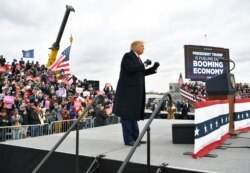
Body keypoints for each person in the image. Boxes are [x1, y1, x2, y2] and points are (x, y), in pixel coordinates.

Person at [112, 40, 160, 146]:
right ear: (134, 47)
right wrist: (144, 64)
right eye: (141, 46)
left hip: (135, 92)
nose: (143, 48)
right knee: (127, 115)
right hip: (127, 91)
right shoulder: (128, 56)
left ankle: (135, 138)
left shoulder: (138, 59)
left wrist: (153, 68)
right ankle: (128, 139)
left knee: (133, 115)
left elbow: (140, 73)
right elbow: (130, 69)